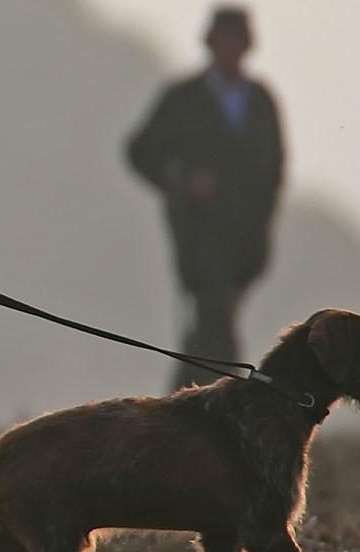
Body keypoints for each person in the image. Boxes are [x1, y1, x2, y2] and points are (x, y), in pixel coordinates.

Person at [127, 6, 285, 391]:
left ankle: (185, 396)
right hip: (200, 232)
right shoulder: (183, 99)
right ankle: (225, 394)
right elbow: (140, 151)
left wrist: (263, 223)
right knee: (215, 316)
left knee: (212, 322)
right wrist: (180, 181)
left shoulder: (260, 101)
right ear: (211, 44)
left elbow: (275, 170)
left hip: (246, 235)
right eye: (224, 41)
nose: (230, 50)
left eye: (237, 42)